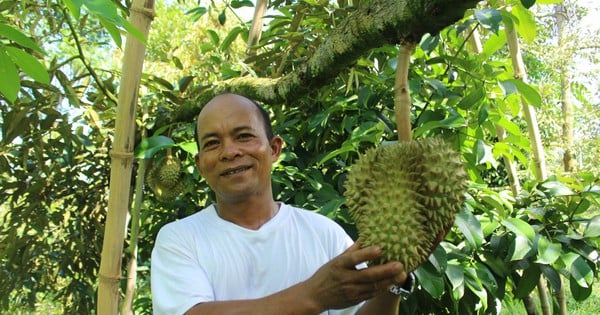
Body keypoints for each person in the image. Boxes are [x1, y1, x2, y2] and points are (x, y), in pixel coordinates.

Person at [151, 93, 412, 315]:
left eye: (243, 136)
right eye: (212, 143)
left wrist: (392, 278)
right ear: (200, 165)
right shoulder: (180, 239)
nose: (229, 152)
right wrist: (314, 295)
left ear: (274, 149)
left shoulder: (324, 233)